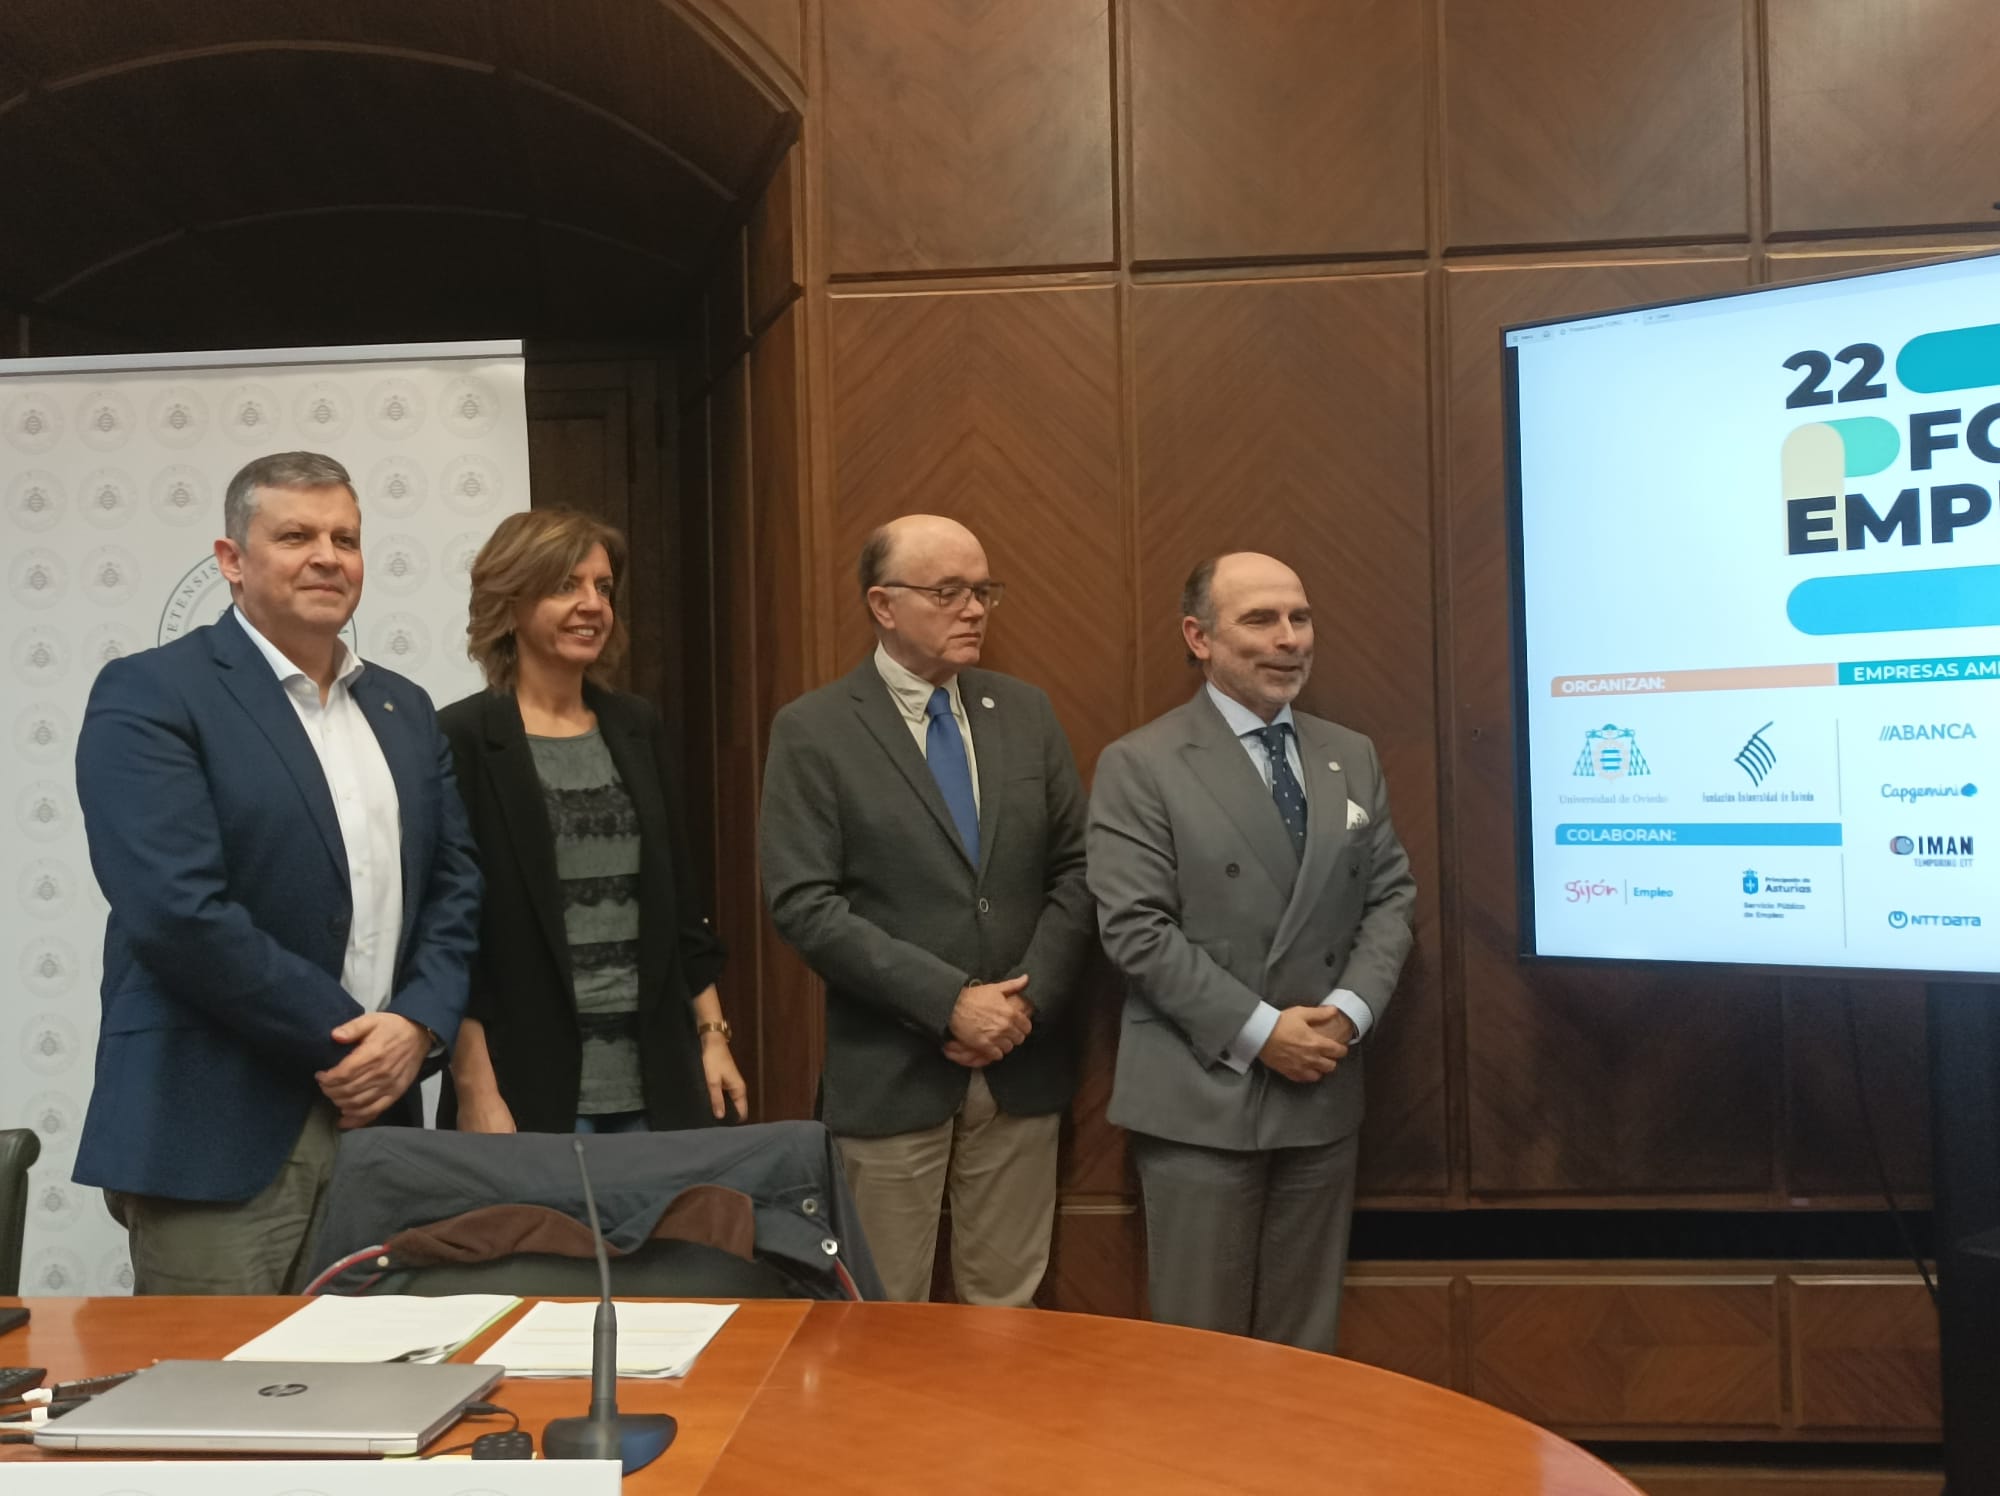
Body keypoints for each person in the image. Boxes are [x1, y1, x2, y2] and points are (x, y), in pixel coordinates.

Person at [72, 450, 481, 1294]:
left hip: (384, 1126)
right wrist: (350, 1038)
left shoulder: (404, 709)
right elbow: (178, 911)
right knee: (217, 1407)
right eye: (296, 535)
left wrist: (416, 1028)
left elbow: (455, 888)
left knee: (375, 1400)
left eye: (346, 537)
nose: (327, 556)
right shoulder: (151, 693)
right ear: (231, 560)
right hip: (215, 1127)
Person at [759, 515, 1093, 1305]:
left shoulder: (1025, 713)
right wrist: (947, 1003)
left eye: (983, 591)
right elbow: (804, 904)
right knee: (882, 1323)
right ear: (883, 605)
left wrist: (1021, 1004)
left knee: (1006, 1322)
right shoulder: (816, 729)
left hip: (1020, 1068)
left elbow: (1077, 872)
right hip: (891, 1072)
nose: (974, 609)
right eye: (948, 592)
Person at [1087, 551, 1416, 1352]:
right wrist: (1264, 1032)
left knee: (1305, 1352)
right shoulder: (1141, 763)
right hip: (1203, 1098)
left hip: (1322, 1092)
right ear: (1199, 637)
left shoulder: (1351, 754)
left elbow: (1390, 899)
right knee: (1201, 1360)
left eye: (1300, 618)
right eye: (1261, 620)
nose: (1290, 640)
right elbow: (1135, 928)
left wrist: (1345, 1014)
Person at [440, 508, 745, 1135]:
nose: (592, 605)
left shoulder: (636, 726)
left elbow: (680, 906)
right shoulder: (461, 737)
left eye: (602, 588)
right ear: (510, 602)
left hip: (659, 1080)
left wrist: (713, 1037)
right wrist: (475, 1088)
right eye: (565, 586)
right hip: (524, 1086)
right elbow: (451, 934)